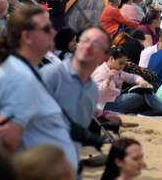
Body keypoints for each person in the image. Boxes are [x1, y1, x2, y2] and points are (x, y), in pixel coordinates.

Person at [0, 6, 77, 169]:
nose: (53, 32)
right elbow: (9, 141)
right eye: (46, 29)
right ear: (27, 36)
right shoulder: (20, 78)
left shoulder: (23, 70)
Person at [41, 27, 111, 163]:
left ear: (104, 56)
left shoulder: (92, 90)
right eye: (85, 40)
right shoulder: (52, 74)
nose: (88, 46)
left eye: (96, 44)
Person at [93, 47, 162, 116]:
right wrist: (107, 81)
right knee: (144, 93)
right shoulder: (101, 72)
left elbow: (132, 77)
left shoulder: (117, 70)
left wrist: (141, 81)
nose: (122, 66)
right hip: (105, 105)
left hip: (115, 100)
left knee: (145, 93)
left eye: (124, 64)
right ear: (112, 59)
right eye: (120, 63)